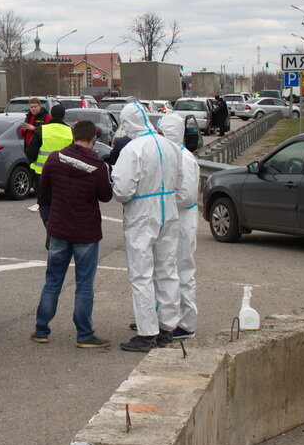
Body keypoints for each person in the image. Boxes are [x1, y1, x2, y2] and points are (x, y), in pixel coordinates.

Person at [111, 103, 193, 352]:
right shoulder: (170, 146)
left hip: (142, 213)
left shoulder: (133, 149)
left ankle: (147, 332)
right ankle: (167, 327)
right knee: (167, 269)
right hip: (169, 211)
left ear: (127, 123)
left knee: (141, 273)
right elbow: (180, 181)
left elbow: (123, 190)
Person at [31, 120, 113, 348]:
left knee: (52, 281)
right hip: (86, 231)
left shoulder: (54, 159)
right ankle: (84, 335)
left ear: (73, 136)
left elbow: (44, 189)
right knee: (84, 284)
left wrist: (49, 218)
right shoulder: (97, 165)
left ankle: (41, 329)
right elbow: (106, 196)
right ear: (93, 138)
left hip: (59, 228)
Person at [157, 114, 199, 339]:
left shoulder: (184, 158)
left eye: (162, 133)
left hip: (182, 221)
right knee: (166, 270)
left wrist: (161, 198)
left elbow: (186, 195)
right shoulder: (170, 155)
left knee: (183, 271)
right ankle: (165, 316)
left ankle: (186, 323)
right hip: (173, 219)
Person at [26, 104, 72, 229]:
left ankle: (50, 227)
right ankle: (60, 228)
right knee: (62, 204)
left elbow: (30, 153)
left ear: (51, 115)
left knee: (45, 204)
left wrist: (33, 165)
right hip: (64, 175)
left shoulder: (41, 131)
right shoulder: (71, 132)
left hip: (42, 174)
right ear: (64, 116)